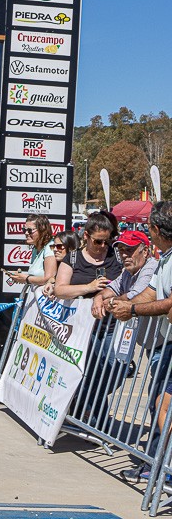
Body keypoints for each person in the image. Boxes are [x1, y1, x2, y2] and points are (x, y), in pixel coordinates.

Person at [109, 204, 172, 482]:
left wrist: (132, 309)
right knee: (160, 405)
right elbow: (150, 293)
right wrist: (122, 304)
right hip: (165, 344)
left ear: (155, 230)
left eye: (148, 228)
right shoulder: (165, 259)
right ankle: (157, 466)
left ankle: (160, 469)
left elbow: (168, 303)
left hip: (167, 345)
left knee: (163, 407)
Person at [51, 212, 122, 300]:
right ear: (86, 235)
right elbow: (59, 290)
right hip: (80, 307)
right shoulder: (72, 258)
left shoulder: (118, 256)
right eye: (98, 241)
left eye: (107, 241)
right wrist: (89, 287)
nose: (103, 245)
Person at [7, 214, 57, 289]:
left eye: (30, 230)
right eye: (24, 230)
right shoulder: (35, 248)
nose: (26, 233)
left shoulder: (50, 247)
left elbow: (49, 279)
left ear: (42, 231)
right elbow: (36, 276)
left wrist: (26, 279)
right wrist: (20, 277)